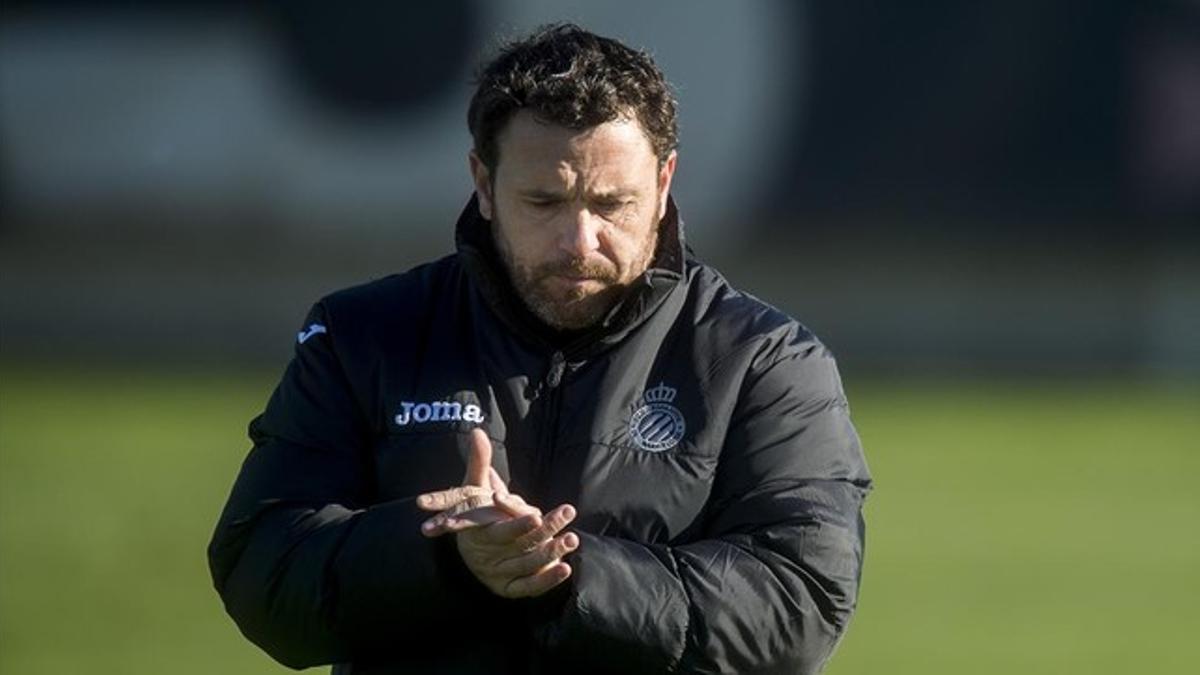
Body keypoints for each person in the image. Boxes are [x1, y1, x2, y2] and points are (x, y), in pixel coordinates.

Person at [208, 23, 871, 675]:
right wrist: (445, 557)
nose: (579, 241)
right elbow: (261, 570)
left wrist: (567, 570)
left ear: (665, 183)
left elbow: (799, 603)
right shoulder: (363, 335)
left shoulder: (765, 362)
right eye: (544, 201)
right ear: (483, 182)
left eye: (613, 203)